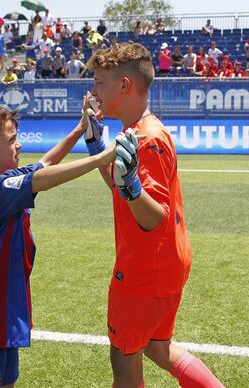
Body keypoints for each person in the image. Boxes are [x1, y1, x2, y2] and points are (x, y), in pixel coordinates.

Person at [83, 42, 225, 388]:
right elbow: (120, 189)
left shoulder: (147, 139)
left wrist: (132, 187)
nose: (93, 91)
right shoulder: (137, 131)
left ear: (124, 86)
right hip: (164, 262)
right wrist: (94, 144)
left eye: (100, 82)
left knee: (124, 357)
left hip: (145, 268)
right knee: (157, 346)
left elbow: (153, 217)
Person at [0, 106, 115, 387]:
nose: (19, 145)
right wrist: (102, 157)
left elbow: (45, 165)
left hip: (2, 307)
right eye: (11, 140)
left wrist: (79, 128)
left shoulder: (2, 179)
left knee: (6, 381)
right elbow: (41, 180)